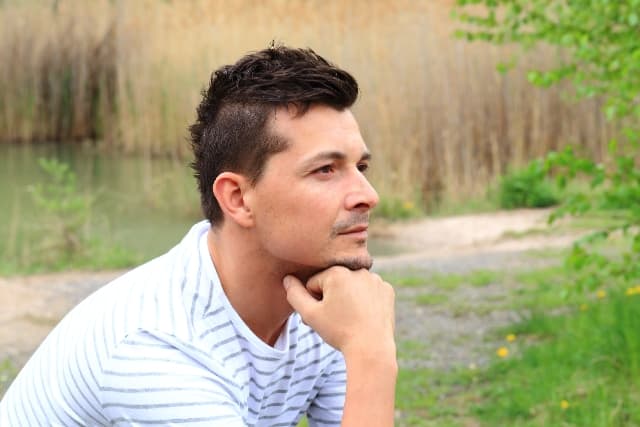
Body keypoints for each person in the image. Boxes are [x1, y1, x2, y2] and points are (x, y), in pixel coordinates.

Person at [0, 45, 397, 426]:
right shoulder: (156, 345)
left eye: (360, 167)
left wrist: (363, 344)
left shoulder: (330, 307)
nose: (368, 195)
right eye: (325, 170)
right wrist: (371, 354)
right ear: (237, 198)